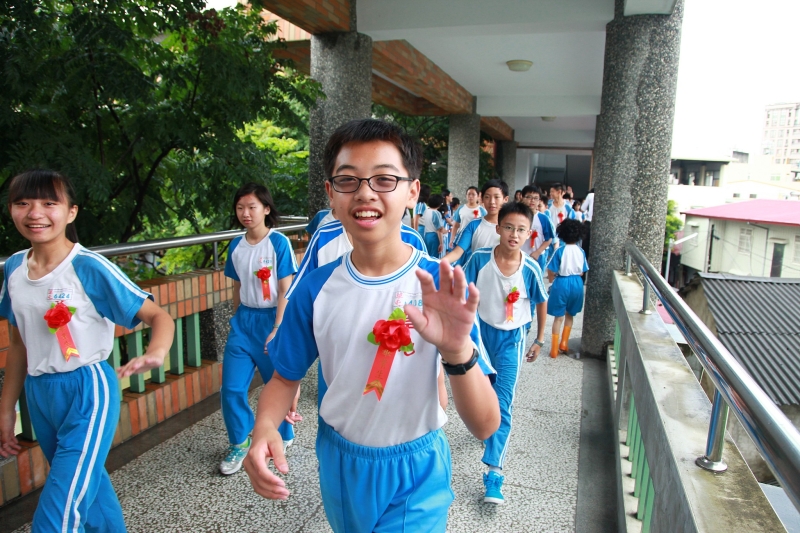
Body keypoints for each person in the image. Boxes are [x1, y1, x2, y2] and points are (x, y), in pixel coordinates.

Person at [243, 119, 500, 533]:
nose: (365, 192)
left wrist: (457, 352)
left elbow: (486, 425)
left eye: (384, 179)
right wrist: (264, 427)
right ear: (331, 194)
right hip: (342, 462)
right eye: (348, 180)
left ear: (412, 192)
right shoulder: (315, 289)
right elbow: (284, 379)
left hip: (418, 466)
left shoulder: (441, 287)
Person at [0, 170, 174, 532]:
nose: (35, 213)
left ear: (71, 212)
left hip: (87, 390)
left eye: (49, 203)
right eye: (23, 203)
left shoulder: (88, 266)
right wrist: (5, 411)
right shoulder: (14, 268)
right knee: (87, 491)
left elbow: (158, 316)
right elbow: (18, 345)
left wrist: (156, 352)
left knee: (58, 511)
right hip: (39, 393)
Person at [463, 201, 547, 505]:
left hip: (512, 340)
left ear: (529, 234)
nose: (514, 234)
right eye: (509, 227)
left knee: (503, 401)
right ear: (498, 228)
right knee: (482, 393)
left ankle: (494, 472)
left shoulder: (531, 268)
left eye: (521, 229)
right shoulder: (479, 259)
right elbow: (463, 289)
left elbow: (540, 300)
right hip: (481, 336)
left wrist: (539, 339)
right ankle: (486, 428)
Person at [219, 183, 298, 475]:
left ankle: (282, 434)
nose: (246, 213)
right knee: (231, 387)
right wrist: (237, 316)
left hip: (272, 320)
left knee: (275, 384)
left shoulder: (278, 242)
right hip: (244, 322)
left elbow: (285, 288)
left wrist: (278, 327)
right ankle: (239, 442)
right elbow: (237, 285)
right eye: (240, 208)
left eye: (252, 207)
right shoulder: (235, 246)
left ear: (266, 209)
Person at [546, 219, 589, 358]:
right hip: (577, 283)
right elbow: (583, 271)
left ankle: (554, 349)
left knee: (558, 317)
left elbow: (551, 269)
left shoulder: (559, 251)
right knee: (570, 314)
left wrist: (552, 280)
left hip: (561, 282)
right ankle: (564, 343)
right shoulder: (581, 251)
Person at [443, 179, 508, 266]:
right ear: (482, 199)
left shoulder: (510, 227)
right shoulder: (473, 225)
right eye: (487, 197)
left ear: (505, 199)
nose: (492, 202)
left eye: (496, 197)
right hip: (477, 272)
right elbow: (457, 252)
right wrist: (437, 263)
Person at [520, 185, 555, 270]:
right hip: (519, 256)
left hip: (537, 257)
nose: (532, 200)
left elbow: (549, 238)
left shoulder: (543, 218)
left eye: (536, 198)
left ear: (539, 200)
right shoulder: (517, 216)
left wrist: (538, 252)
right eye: (529, 197)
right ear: (522, 197)